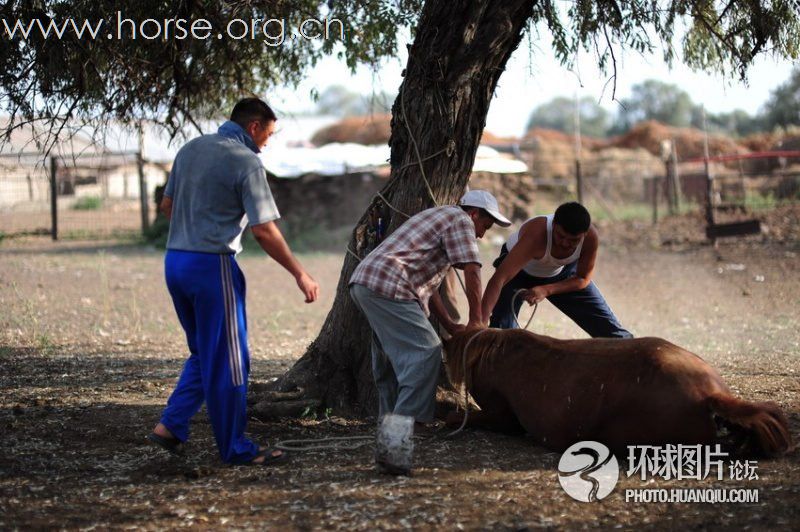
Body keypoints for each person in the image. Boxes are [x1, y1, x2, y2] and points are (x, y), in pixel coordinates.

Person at [147, 97, 319, 465]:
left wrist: (195, 225)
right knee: (230, 361)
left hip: (175, 261)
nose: (266, 144)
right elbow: (264, 230)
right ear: (254, 127)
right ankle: (236, 449)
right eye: (268, 135)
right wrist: (299, 273)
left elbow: (166, 206)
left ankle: (172, 425)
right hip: (213, 268)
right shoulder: (246, 161)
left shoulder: (190, 149)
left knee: (203, 353)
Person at [349, 190, 511, 426]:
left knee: (389, 360)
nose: (481, 235)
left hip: (367, 283)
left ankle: (389, 423)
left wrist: (448, 324)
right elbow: (473, 270)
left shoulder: (439, 217)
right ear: (474, 214)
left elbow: (429, 284)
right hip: (389, 284)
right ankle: (404, 426)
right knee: (426, 352)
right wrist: (477, 320)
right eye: (485, 226)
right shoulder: (461, 220)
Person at [482, 201, 631, 338]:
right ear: (553, 225)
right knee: (500, 333)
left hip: (561, 273)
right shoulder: (536, 234)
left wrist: (546, 289)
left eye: (574, 240)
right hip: (517, 273)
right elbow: (499, 279)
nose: (565, 244)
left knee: (613, 332)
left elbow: (582, 279)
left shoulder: (591, 238)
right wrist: (479, 321)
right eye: (560, 236)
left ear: (584, 234)